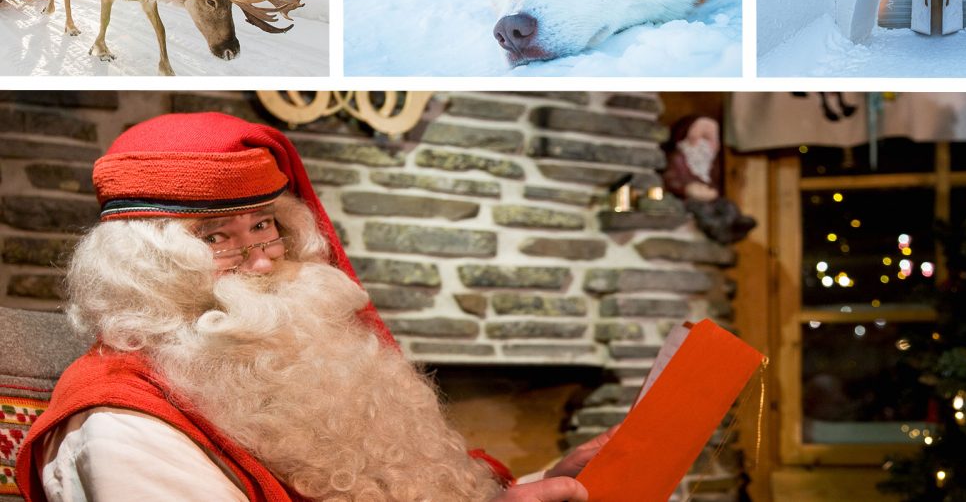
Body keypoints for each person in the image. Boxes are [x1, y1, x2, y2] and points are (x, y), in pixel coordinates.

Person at [16, 112, 606, 502]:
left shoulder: (292, 365)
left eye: (265, 226)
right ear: (144, 264)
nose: (263, 261)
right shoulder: (125, 426)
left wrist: (537, 483)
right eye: (216, 237)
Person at [662, 115, 756, 244]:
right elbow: (670, 179)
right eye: (701, 138)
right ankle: (719, 230)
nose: (703, 146)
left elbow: (713, 182)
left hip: (708, 199)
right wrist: (687, 189)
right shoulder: (678, 159)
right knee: (703, 211)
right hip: (687, 200)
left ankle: (735, 222)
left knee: (727, 205)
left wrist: (712, 191)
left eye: (708, 140)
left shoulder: (710, 165)